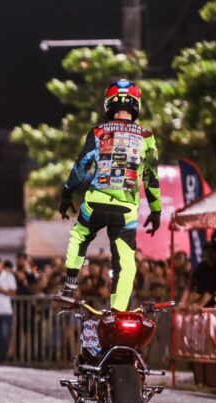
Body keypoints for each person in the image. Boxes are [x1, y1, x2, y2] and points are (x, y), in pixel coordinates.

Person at [58, 79, 161, 311]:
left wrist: (67, 194)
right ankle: (118, 311)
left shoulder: (98, 131)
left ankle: (70, 286)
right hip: (126, 210)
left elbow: (81, 165)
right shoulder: (146, 136)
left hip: (96, 201)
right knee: (125, 261)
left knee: (80, 235)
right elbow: (151, 177)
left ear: (108, 104)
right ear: (136, 105)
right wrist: (156, 211)